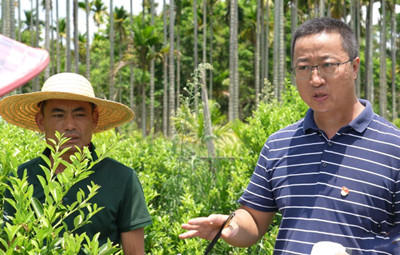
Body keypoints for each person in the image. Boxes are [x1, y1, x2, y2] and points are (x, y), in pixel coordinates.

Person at [179, 17, 400, 254]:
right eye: (304, 68)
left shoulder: (393, 147)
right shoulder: (280, 145)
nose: (315, 79)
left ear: (354, 67)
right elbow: (253, 219)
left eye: (327, 65)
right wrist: (230, 227)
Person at [0, 72, 152, 255]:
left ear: (94, 120)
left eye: (79, 115)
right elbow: (13, 248)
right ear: (41, 122)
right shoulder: (21, 178)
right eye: (58, 115)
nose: (70, 125)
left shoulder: (122, 179)